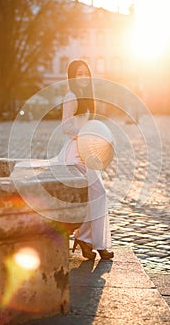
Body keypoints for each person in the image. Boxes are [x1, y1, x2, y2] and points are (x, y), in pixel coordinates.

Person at [60, 59, 114, 260]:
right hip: (75, 151)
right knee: (97, 192)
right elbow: (66, 126)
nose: (83, 77)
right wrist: (84, 133)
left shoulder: (87, 97)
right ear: (72, 77)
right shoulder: (71, 96)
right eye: (79, 74)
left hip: (87, 150)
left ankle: (93, 241)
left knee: (97, 194)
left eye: (85, 73)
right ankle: (87, 239)